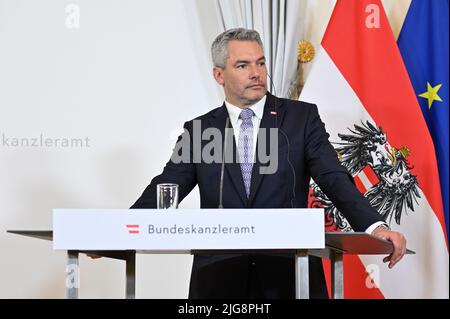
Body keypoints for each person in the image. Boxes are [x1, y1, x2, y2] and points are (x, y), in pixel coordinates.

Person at [131, 28, 407, 299]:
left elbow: (333, 177)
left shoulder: (301, 118)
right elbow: (167, 187)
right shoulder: (200, 130)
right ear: (219, 75)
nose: (256, 73)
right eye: (242, 65)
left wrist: (374, 226)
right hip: (219, 278)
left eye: (260, 63)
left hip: (289, 273)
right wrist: (115, 235)